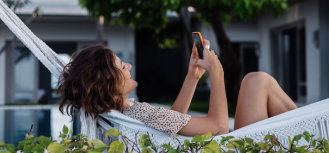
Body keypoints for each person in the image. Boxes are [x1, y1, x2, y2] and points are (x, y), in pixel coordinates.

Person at [57, 40, 297, 137]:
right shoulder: (139, 114)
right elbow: (219, 127)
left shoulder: (126, 115)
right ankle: (316, 133)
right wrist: (217, 73)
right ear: (109, 81)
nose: (128, 65)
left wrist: (193, 76)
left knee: (256, 81)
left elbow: (170, 122)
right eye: (121, 66)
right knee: (256, 81)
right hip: (235, 149)